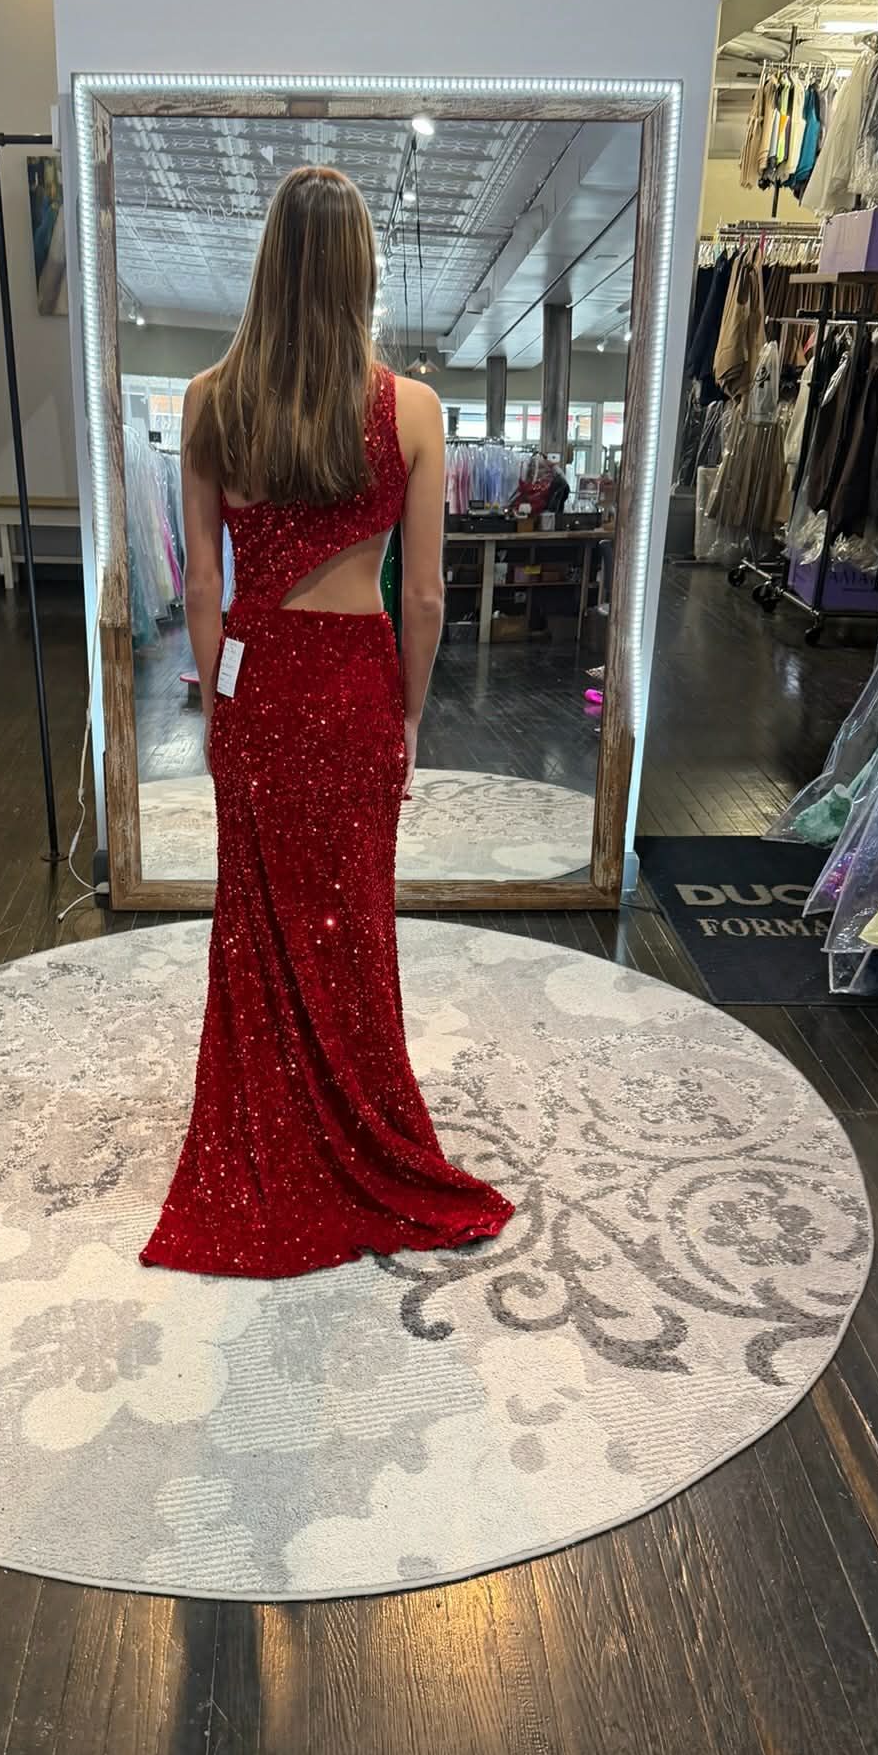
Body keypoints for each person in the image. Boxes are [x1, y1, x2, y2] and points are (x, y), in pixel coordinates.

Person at [139, 165, 516, 1277]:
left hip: (259, 695)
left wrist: (223, 696)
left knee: (256, 931)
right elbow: (431, 598)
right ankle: (362, 1137)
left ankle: (273, 1141)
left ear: (267, 264)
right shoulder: (410, 410)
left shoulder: (212, 400)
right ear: (363, 273)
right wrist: (404, 711)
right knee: (354, 929)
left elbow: (203, 591)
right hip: (353, 689)